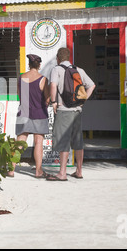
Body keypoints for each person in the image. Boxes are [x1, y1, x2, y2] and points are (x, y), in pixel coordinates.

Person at [47, 47, 95, 181]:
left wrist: (54, 102)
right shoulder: (79, 70)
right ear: (69, 57)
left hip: (64, 110)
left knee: (63, 140)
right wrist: (83, 100)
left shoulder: (56, 69)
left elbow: (53, 86)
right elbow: (92, 85)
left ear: (58, 58)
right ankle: (79, 171)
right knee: (78, 140)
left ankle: (62, 173)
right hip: (77, 110)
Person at [8, 54, 50, 178]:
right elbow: (47, 98)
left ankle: (11, 170)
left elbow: (19, 94)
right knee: (38, 142)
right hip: (39, 113)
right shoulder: (42, 79)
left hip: (24, 112)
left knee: (19, 142)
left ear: (29, 64)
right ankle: (38, 171)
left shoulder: (22, 78)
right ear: (39, 65)